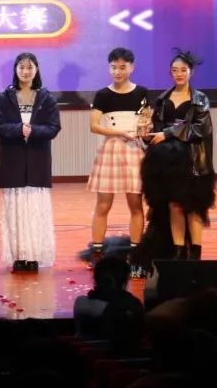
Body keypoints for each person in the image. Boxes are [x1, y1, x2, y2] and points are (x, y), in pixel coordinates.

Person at [135, 48, 215, 265]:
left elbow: (201, 128)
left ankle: (195, 253)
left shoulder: (200, 99)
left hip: (192, 161)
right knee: (173, 206)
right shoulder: (163, 99)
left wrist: (169, 133)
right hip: (167, 163)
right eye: (174, 70)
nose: (178, 74)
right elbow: (157, 130)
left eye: (183, 70)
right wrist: (147, 135)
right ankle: (178, 251)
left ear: (191, 72)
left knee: (193, 207)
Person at [0, 52, 62, 272]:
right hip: (12, 161)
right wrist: (18, 129)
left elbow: (54, 127)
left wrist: (32, 130)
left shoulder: (46, 98)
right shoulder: (5, 97)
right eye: (21, 67)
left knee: (34, 209)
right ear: (15, 70)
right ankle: (18, 256)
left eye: (30, 67)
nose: (25, 71)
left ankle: (33, 256)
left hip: (37, 162)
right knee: (14, 211)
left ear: (36, 69)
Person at [87, 47, 150, 277]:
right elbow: (94, 126)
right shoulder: (102, 94)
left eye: (123, 67)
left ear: (132, 67)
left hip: (134, 151)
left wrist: (144, 129)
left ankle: (135, 255)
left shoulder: (142, 92)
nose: (118, 71)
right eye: (113, 67)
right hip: (111, 150)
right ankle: (97, 253)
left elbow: (146, 121)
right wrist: (119, 133)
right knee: (103, 205)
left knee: (136, 205)